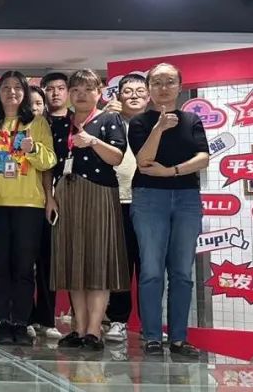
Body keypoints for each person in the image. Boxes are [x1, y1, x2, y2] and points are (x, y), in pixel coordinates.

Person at [128, 63, 208, 357]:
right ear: (149, 88)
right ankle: (152, 336)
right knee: (151, 270)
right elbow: (143, 161)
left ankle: (178, 338)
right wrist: (159, 128)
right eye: (157, 82)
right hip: (149, 199)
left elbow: (203, 158)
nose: (163, 87)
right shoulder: (139, 122)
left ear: (179, 86)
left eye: (170, 82)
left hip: (187, 198)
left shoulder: (192, 120)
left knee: (182, 272)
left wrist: (171, 171)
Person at [49, 70, 129, 351]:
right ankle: (78, 328)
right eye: (75, 90)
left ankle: (95, 330)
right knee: (73, 260)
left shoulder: (109, 119)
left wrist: (93, 141)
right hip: (65, 193)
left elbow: (117, 157)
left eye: (87, 89)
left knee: (97, 260)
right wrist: (50, 197)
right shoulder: (61, 124)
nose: (81, 95)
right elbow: (52, 165)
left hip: (99, 192)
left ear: (99, 92)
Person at [0, 71, 57, 345]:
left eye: (17, 88)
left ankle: (21, 322)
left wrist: (33, 150)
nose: (11, 92)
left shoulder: (38, 122)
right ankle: (2, 321)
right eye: (6, 87)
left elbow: (49, 162)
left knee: (24, 267)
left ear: (24, 92)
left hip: (29, 204)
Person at [101, 73, 149, 343]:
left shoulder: (156, 123)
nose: (133, 96)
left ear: (148, 96)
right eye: (128, 91)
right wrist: (105, 115)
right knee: (119, 264)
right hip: (115, 200)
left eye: (140, 91)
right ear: (118, 95)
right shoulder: (109, 121)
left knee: (148, 266)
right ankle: (118, 320)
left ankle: (149, 324)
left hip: (148, 202)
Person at [33, 72, 69, 340]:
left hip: (66, 195)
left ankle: (47, 317)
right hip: (32, 196)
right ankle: (27, 317)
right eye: (50, 89)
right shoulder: (34, 123)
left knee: (50, 262)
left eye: (61, 88)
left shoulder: (75, 122)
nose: (55, 93)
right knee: (29, 260)